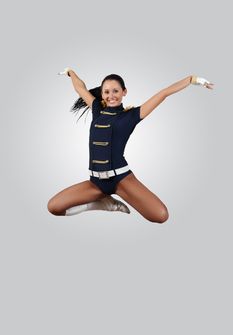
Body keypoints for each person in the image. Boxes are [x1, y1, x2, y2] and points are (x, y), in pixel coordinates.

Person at [47, 68, 214, 222]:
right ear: (102, 93)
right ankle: (103, 204)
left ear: (124, 92)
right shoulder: (97, 109)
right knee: (54, 207)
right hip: (95, 183)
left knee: (161, 216)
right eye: (106, 92)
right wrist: (71, 72)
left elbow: (164, 93)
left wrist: (192, 79)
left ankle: (109, 198)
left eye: (115, 91)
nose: (111, 95)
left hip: (122, 180)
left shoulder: (132, 116)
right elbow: (80, 88)